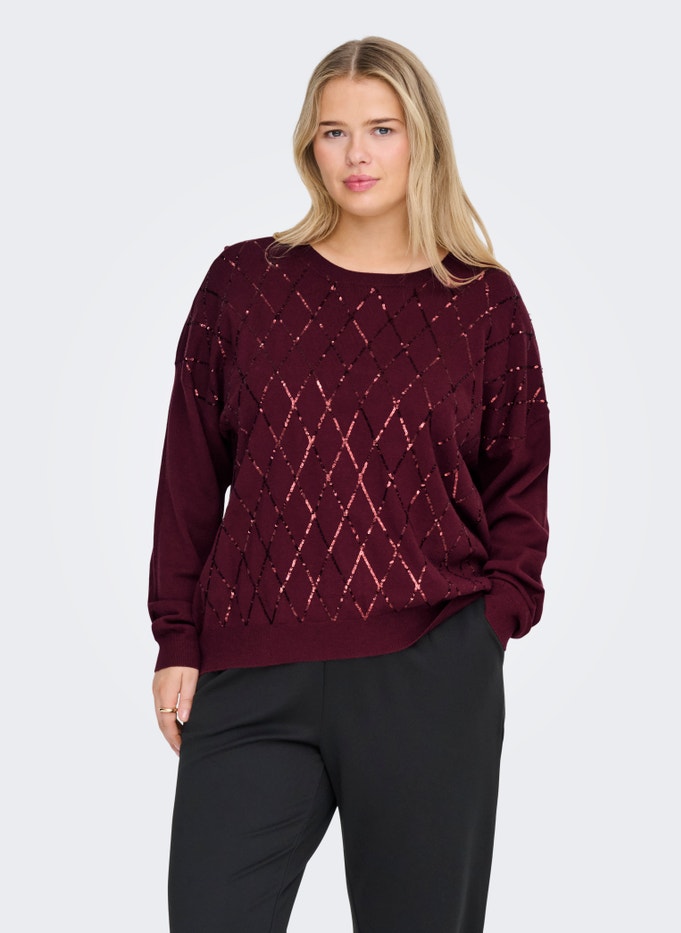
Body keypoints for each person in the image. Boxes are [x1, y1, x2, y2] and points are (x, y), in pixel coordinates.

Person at [148, 35, 550, 933]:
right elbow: (189, 473)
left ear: (422, 139)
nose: (356, 154)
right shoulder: (243, 284)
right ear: (310, 144)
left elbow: (519, 482)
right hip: (252, 666)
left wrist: (489, 626)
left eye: (381, 129)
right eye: (334, 131)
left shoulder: (483, 303)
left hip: (429, 664)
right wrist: (178, 636)